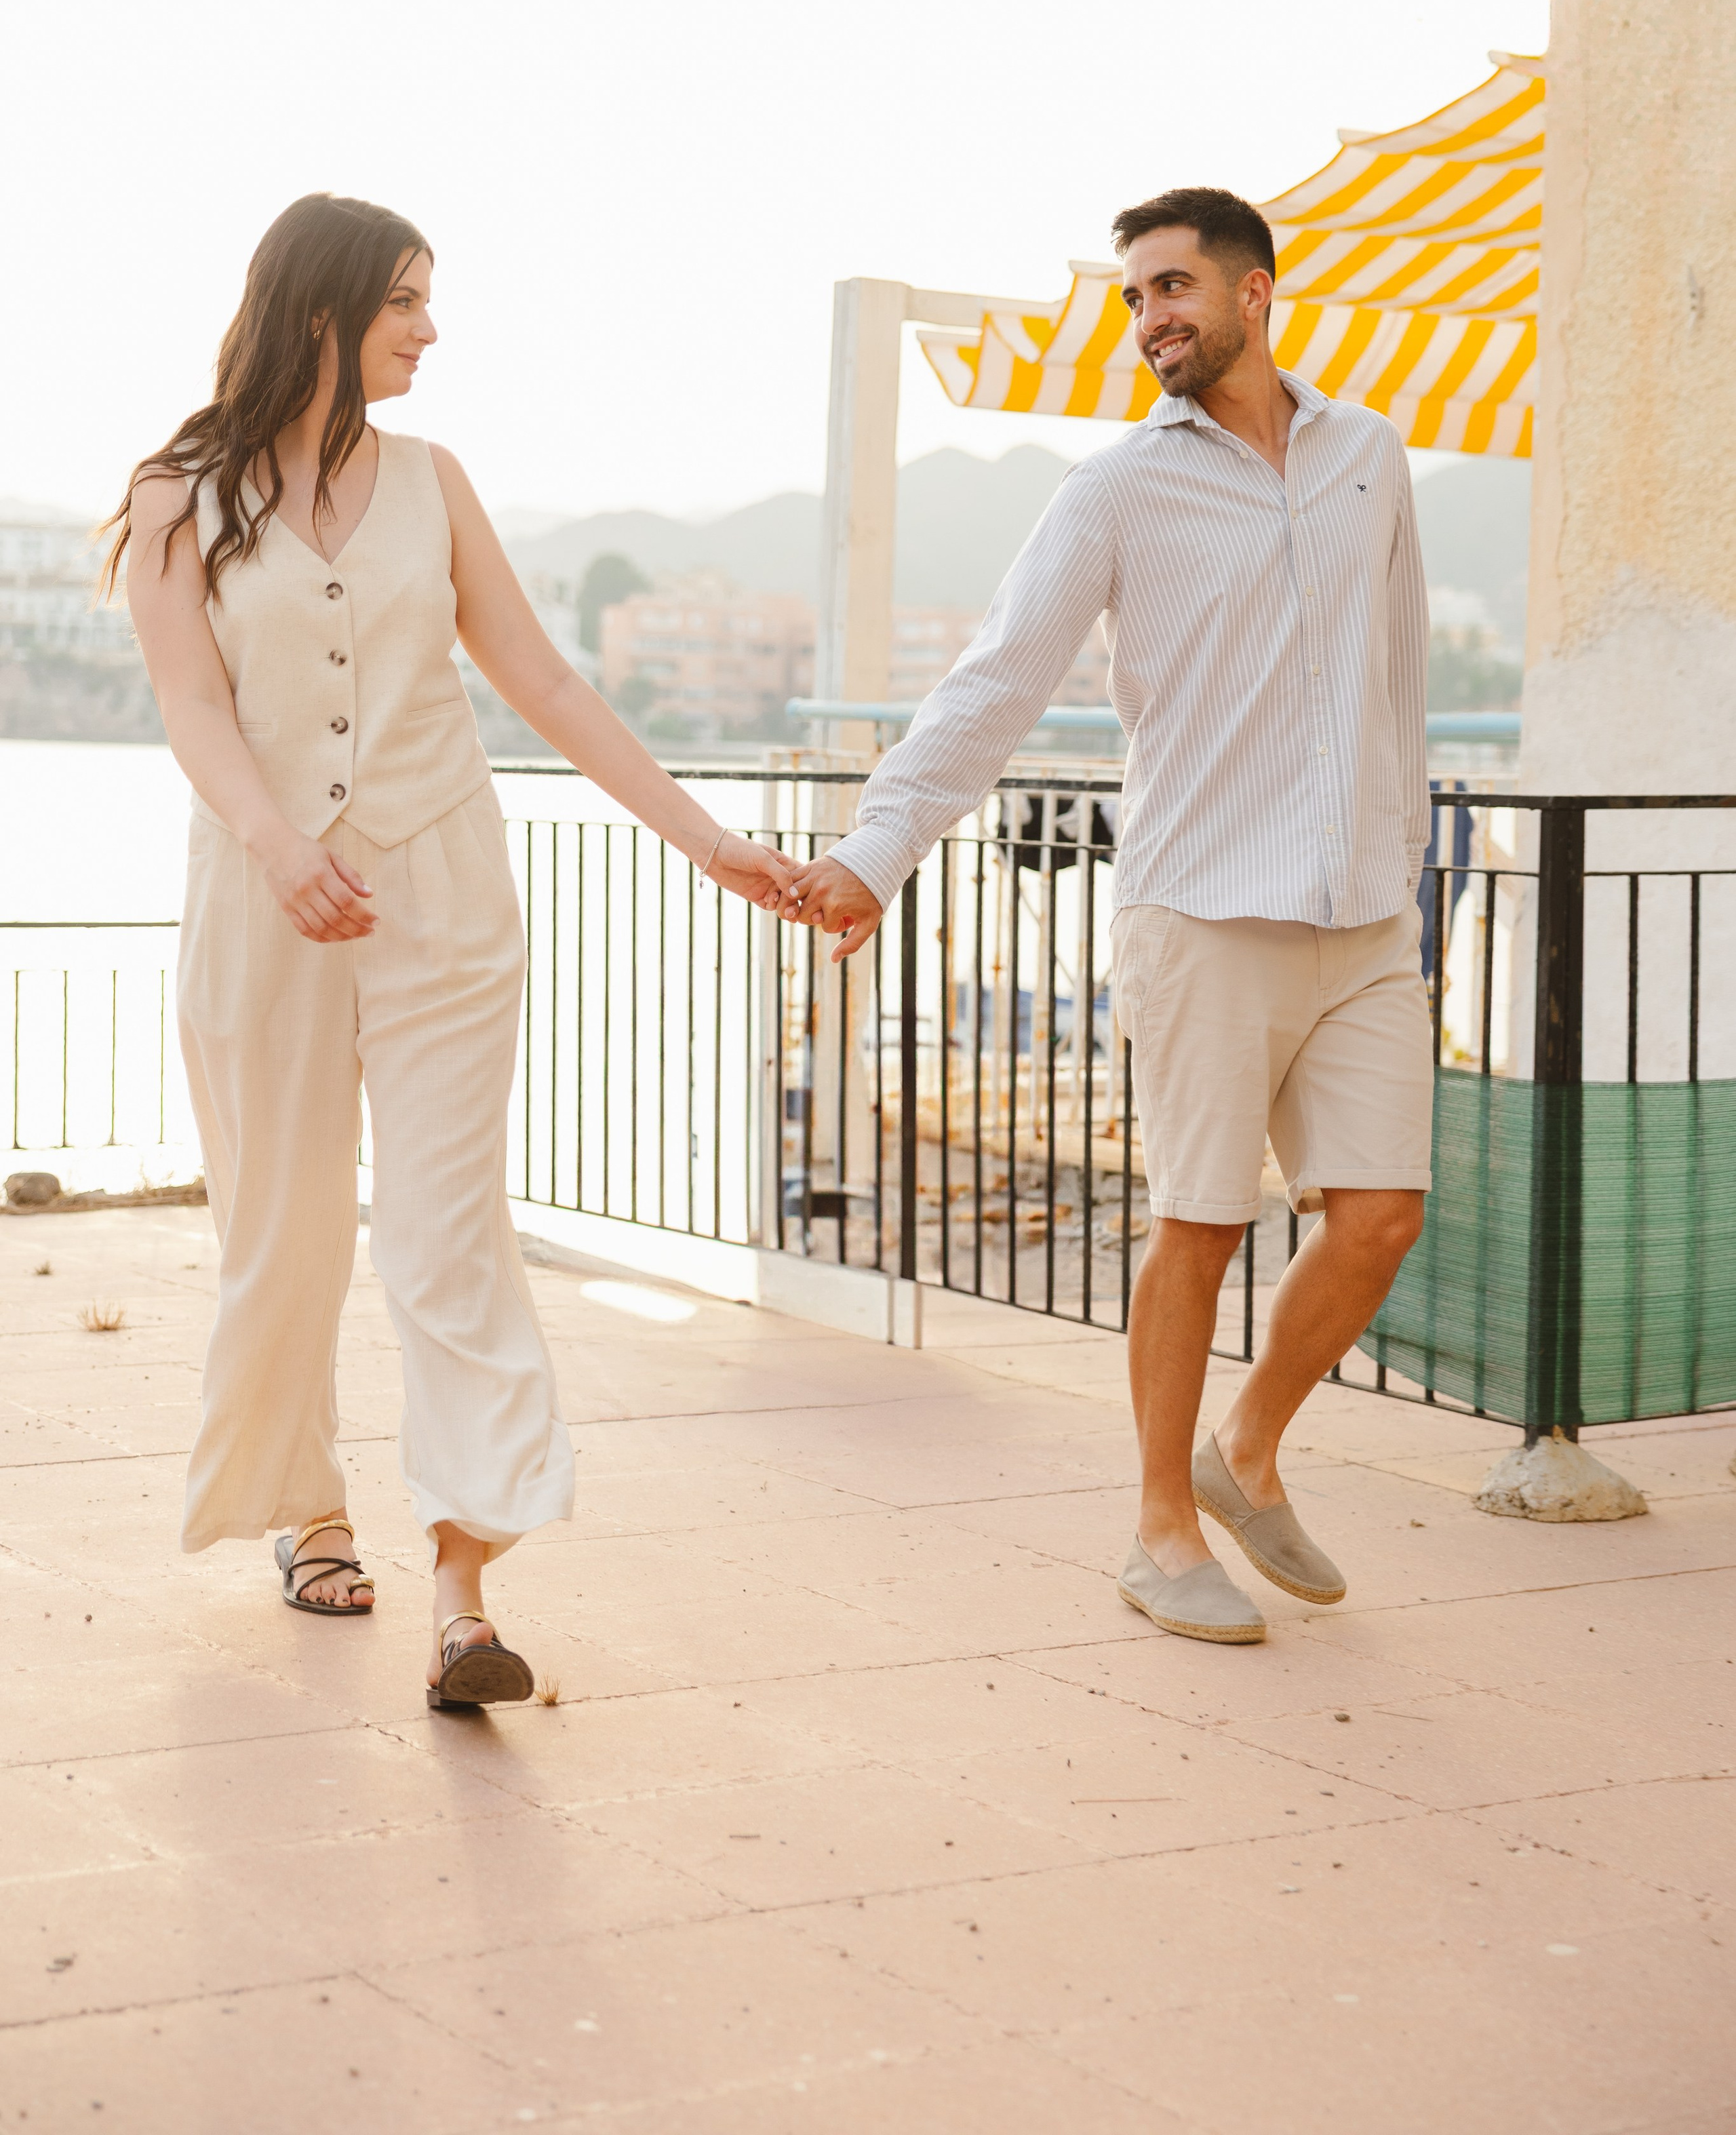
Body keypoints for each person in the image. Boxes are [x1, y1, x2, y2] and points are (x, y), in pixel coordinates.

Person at [109, 193, 797, 1707]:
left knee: (444, 1231)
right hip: (260, 896)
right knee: (280, 1231)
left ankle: (462, 1592)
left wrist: (709, 840)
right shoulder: (179, 494)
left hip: (442, 893)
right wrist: (283, 851)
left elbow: (540, 680)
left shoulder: (434, 481)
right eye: (407, 301)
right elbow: (194, 710)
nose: (431, 328)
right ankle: (309, 1510)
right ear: (320, 313)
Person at [787, 186, 1432, 1646]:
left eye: (1171, 288)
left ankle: (1245, 1448)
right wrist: (876, 852)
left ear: (1255, 292)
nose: (1150, 319)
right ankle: (1158, 1526)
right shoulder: (1113, 493)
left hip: (1362, 918)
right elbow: (993, 684)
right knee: (1197, 1226)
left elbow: (1392, 671)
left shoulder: (1369, 460)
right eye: (1134, 297)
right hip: (1200, 907)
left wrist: (1404, 865)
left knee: (1379, 1217)